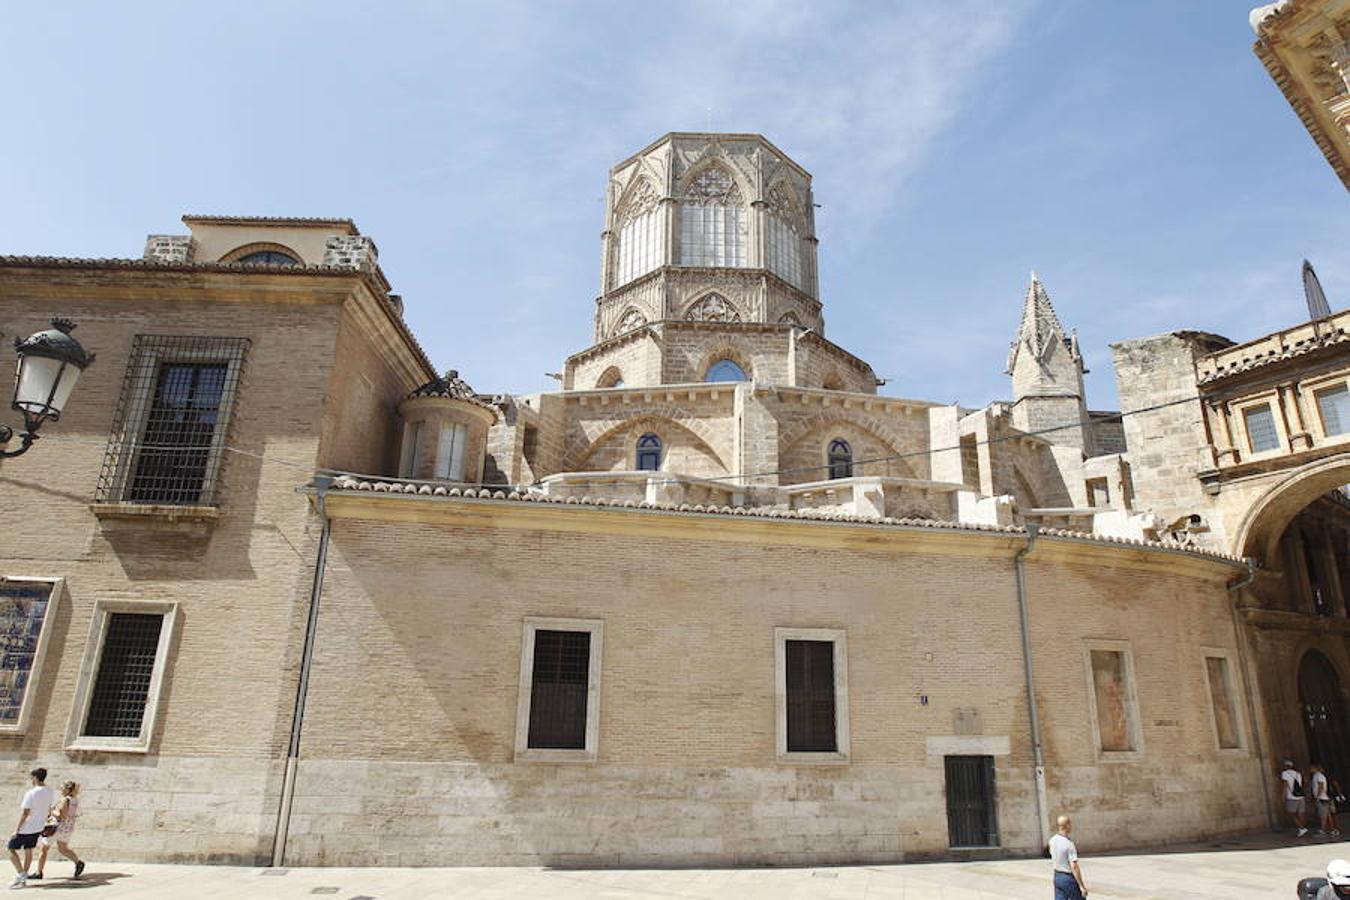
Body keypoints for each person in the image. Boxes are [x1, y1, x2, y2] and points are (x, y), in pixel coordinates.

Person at [6, 768, 54, 890]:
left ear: (36, 778)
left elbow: (25, 812)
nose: (31, 780)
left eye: (32, 778)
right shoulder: (50, 791)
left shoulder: (31, 793)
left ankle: (21, 874)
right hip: (38, 826)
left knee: (10, 848)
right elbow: (49, 808)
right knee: (28, 850)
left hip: (27, 827)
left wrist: (16, 829)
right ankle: (23, 878)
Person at [32, 781, 83, 881]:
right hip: (67, 828)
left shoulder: (65, 800)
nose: (61, 790)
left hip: (56, 828)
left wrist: (50, 811)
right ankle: (78, 862)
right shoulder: (75, 799)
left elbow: (61, 816)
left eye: (62, 788)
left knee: (43, 849)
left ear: (67, 789)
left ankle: (39, 872)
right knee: (63, 849)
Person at [1049, 814, 1089, 899]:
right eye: (1070, 824)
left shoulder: (1052, 840)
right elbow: (1074, 866)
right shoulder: (1069, 844)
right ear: (1067, 825)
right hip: (1068, 878)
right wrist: (1082, 886)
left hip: (1057, 876)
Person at [1311, 763, 1341, 837]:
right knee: (1329, 815)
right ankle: (1332, 829)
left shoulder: (1318, 776)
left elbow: (1321, 786)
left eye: (1311, 767)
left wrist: (1317, 797)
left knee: (1324, 815)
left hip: (1323, 798)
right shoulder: (1322, 775)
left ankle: (1326, 830)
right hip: (1327, 797)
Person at [1283, 758, 1310, 837]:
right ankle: (1303, 828)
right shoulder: (1298, 773)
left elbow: (1285, 785)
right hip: (1300, 795)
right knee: (1301, 813)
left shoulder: (1285, 773)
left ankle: (1301, 828)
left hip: (1292, 796)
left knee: (1291, 813)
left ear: (1286, 766)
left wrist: (1283, 795)